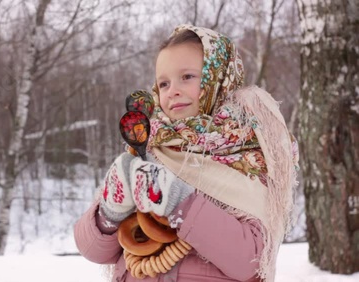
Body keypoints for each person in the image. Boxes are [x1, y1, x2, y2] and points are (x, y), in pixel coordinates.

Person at [74, 24, 299, 282]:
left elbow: (253, 262)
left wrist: (181, 202)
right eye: (164, 83)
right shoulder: (148, 148)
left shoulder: (246, 153)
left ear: (218, 77)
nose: (173, 91)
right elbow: (92, 250)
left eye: (188, 77)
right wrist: (110, 211)